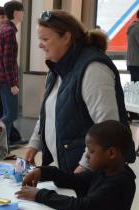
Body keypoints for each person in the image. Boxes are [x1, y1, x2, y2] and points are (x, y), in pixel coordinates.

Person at [25, 10, 135, 173]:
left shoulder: (93, 69)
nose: (40, 45)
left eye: (45, 39)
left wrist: (84, 166)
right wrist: (34, 144)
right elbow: (47, 113)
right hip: (69, 169)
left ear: (67, 37)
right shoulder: (56, 67)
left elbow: (107, 127)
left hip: (91, 173)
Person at [0, 1, 24, 145]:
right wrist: (13, 83)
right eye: (22, 11)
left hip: (0, 78)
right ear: (16, 12)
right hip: (6, 80)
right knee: (11, 114)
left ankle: (5, 146)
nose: (23, 14)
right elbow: (8, 60)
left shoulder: (2, 29)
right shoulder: (9, 31)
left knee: (7, 113)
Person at [127, 10, 139, 82]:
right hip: (137, 63)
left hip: (133, 62)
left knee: (134, 89)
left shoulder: (133, 27)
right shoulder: (138, 28)